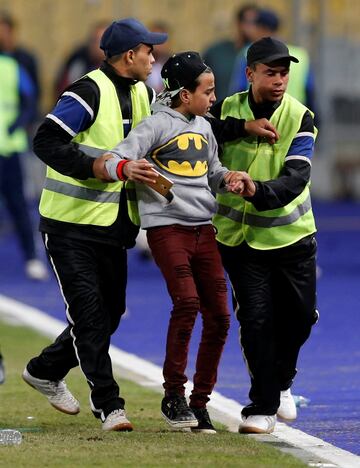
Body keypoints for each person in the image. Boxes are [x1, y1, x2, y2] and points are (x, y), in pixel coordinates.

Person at [22, 18, 168, 432]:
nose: (153, 56)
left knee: (110, 314)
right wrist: (96, 166)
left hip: (112, 225)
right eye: (148, 50)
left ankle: (44, 370)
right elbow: (46, 140)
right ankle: (110, 405)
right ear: (129, 56)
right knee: (89, 316)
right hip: (69, 226)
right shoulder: (87, 91)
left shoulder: (142, 90)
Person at [99, 51, 258, 433]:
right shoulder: (154, 126)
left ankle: (200, 402)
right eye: (208, 91)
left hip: (204, 229)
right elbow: (115, 157)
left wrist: (229, 178)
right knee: (187, 302)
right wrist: (126, 168)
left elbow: (212, 170)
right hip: (167, 228)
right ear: (185, 95)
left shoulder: (203, 126)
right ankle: (173, 395)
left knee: (220, 317)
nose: (213, 99)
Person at [211, 37, 319, 434]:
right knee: (255, 320)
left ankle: (283, 379)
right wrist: (240, 128)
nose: (279, 80)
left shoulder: (301, 117)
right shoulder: (224, 109)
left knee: (301, 318)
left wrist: (256, 189)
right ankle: (262, 405)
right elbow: (196, 129)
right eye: (270, 72)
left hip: (292, 236)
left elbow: (297, 177)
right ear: (250, 73)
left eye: (284, 73)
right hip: (238, 240)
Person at [0, 51, 48, 281]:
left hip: (9, 148)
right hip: (9, 145)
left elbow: (30, 100)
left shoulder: (12, 66)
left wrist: (17, 124)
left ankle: (31, 258)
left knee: (18, 205)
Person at [229, 8, 318, 119]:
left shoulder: (247, 53)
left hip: (257, 120)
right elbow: (310, 94)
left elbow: (238, 91)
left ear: (262, 29)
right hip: (293, 120)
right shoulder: (301, 55)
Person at [203, 4, 258, 102]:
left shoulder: (265, 58)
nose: (253, 27)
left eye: (257, 23)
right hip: (217, 112)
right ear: (238, 23)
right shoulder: (216, 53)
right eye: (250, 22)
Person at [54, 21, 109, 96]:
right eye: (94, 40)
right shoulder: (78, 62)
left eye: (101, 41)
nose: (97, 46)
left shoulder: (118, 69)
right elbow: (63, 89)